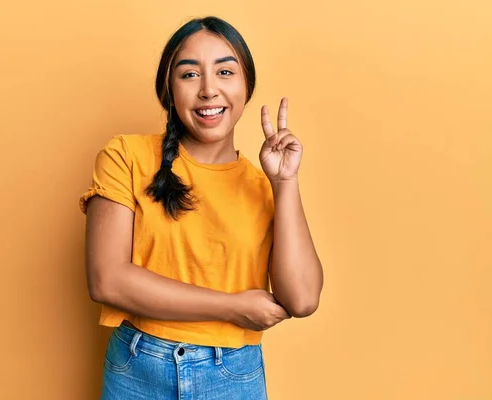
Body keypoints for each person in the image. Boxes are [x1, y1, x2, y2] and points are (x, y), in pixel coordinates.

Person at [79, 15, 324, 400]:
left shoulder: (264, 185)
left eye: (225, 72)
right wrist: (230, 307)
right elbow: (107, 280)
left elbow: (303, 298)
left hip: (233, 374)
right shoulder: (126, 156)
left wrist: (286, 182)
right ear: (169, 90)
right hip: (138, 368)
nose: (209, 90)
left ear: (247, 86)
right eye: (189, 75)